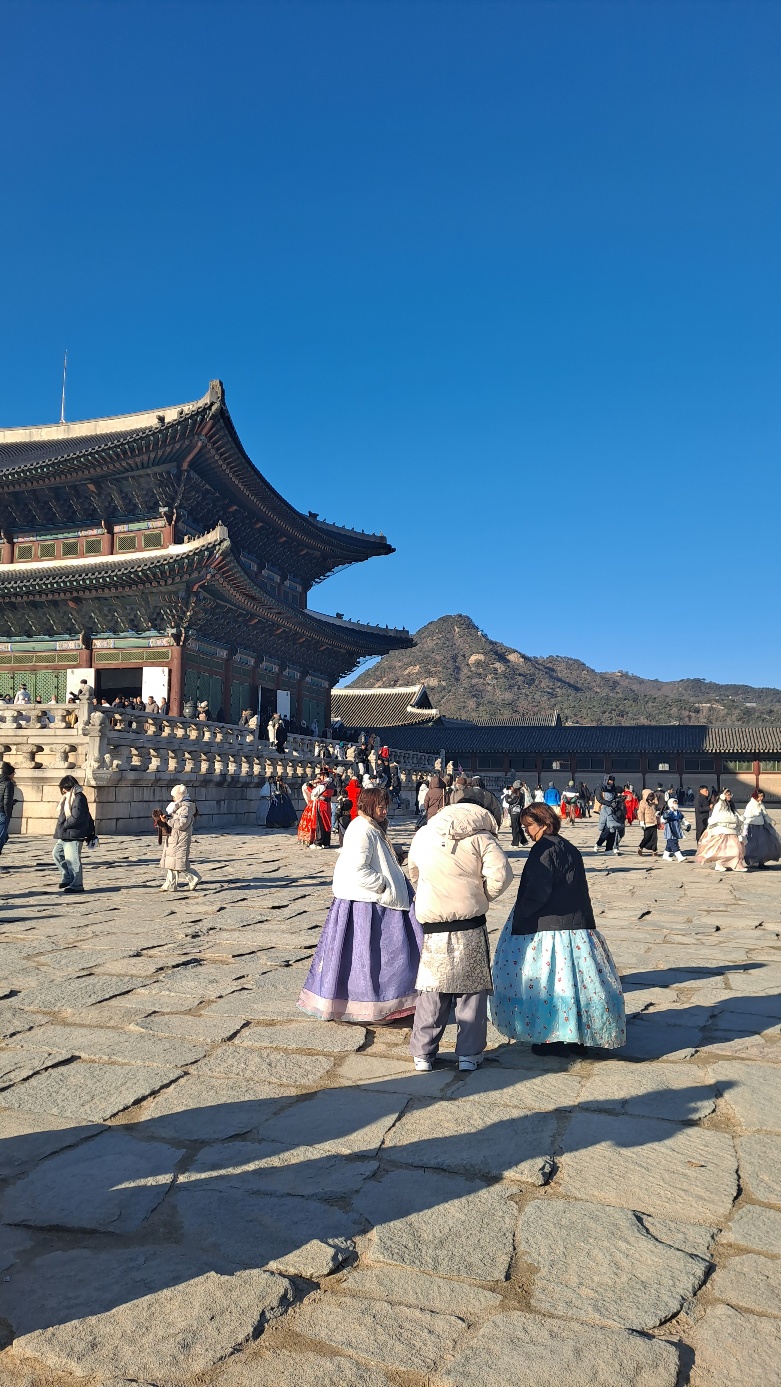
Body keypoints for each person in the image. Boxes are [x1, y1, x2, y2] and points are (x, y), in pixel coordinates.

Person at [490, 802, 625, 1057]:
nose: (527, 831)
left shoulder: (543, 850)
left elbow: (537, 891)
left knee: (549, 983)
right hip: (576, 925)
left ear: (545, 823)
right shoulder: (569, 847)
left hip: (548, 927)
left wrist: (521, 915)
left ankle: (551, 1036)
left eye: (530, 826)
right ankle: (577, 1035)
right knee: (575, 983)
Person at [298, 786, 422, 1022]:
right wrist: (383, 884)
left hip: (377, 900)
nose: (384, 811)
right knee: (373, 960)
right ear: (369, 806)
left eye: (385, 806)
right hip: (368, 904)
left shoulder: (372, 827)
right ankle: (373, 1005)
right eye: (380, 807)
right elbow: (357, 869)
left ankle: (389, 1003)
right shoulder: (362, 830)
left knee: (382, 959)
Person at [407, 796, 513, 1073]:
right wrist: (481, 895)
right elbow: (502, 875)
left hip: (433, 925)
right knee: (472, 990)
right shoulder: (482, 838)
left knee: (433, 988)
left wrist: (429, 894)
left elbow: (414, 871)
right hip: (470, 923)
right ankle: (469, 1054)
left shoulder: (424, 834)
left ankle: (422, 1054)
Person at [52, 775, 96, 894]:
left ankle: (77, 884)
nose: (63, 791)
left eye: (64, 788)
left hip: (74, 833)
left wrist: (64, 825)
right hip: (65, 833)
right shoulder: (68, 797)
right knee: (57, 854)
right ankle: (67, 877)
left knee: (73, 860)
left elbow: (76, 817)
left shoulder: (79, 797)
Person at [159, 785, 201, 891]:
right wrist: (167, 818)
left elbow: (182, 824)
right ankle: (170, 884)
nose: (173, 798)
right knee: (172, 863)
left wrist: (168, 821)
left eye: (174, 796)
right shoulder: (179, 807)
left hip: (180, 839)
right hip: (174, 838)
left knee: (179, 863)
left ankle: (194, 878)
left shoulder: (185, 808)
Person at [695, 790, 746, 872]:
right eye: (727, 795)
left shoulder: (730, 804)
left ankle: (737, 864)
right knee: (721, 849)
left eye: (730, 794)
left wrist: (740, 819)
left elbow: (736, 814)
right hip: (722, 830)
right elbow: (715, 816)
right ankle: (719, 864)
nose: (729, 796)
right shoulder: (719, 805)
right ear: (723, 796)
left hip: (732, 830)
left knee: (736, 849)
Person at [741, 790, 781, 868]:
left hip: (761, 826)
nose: (761, 798)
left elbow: (765, 814)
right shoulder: (750, 805)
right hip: (753, 827)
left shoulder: (761, 804)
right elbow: (747, 817)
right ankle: (753, 861)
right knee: (753, 845)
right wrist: (745, 829)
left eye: (762, 796)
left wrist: (769, 820)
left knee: (763, 844)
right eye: (759, 796)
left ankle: (761, 862)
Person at [298, 770, 334, 848]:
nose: (320, 777)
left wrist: (311, 788)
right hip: (327, 804)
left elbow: (314, 793)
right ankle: (326, 842)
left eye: (321, 775)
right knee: (327, 823)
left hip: (321, 804)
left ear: (324, 775)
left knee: (320, 823)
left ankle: (318, 842)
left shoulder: (323, 785)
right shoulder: (331, 784)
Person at [661, 797, 688, 862]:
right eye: (674, 803)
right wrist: (665, 817)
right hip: (670, 830)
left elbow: (683, 819)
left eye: (676, 803)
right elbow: (662, 820)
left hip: (677, 829)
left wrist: (687, 824)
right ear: (671, 804)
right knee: (673, 843)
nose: (676, 805)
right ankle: (679, 856)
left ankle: (665, 855)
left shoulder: (678, 812)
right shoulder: (668, 812)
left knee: (669, 843)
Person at [0, 762, 16, 870]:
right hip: (2, 813)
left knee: (4, 837)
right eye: (14, 773)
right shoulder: (8, 784)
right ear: (10, 773)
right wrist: (8, 814)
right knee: (1, 838)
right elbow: (6, 801)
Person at [636, 789, 659, 857]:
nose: (651, 797)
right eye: (650, 796)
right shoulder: (643, 803)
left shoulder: (653, 802)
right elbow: (640, 812)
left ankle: (654, 851)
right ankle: (640, 847)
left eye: (652, 795)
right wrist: (641, 821)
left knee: (654, 838)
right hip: (647, 823)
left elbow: (657, 803)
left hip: (654, 822)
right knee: (647, 837)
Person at [508, 782, 529, 847]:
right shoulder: (521, 793)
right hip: (519, 811)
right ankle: (524, 841)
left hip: (514, 812)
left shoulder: (516, 793)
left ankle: (515, 843)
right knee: (518, 827)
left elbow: (511, 801)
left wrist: (507, 797)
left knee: (515, 828)